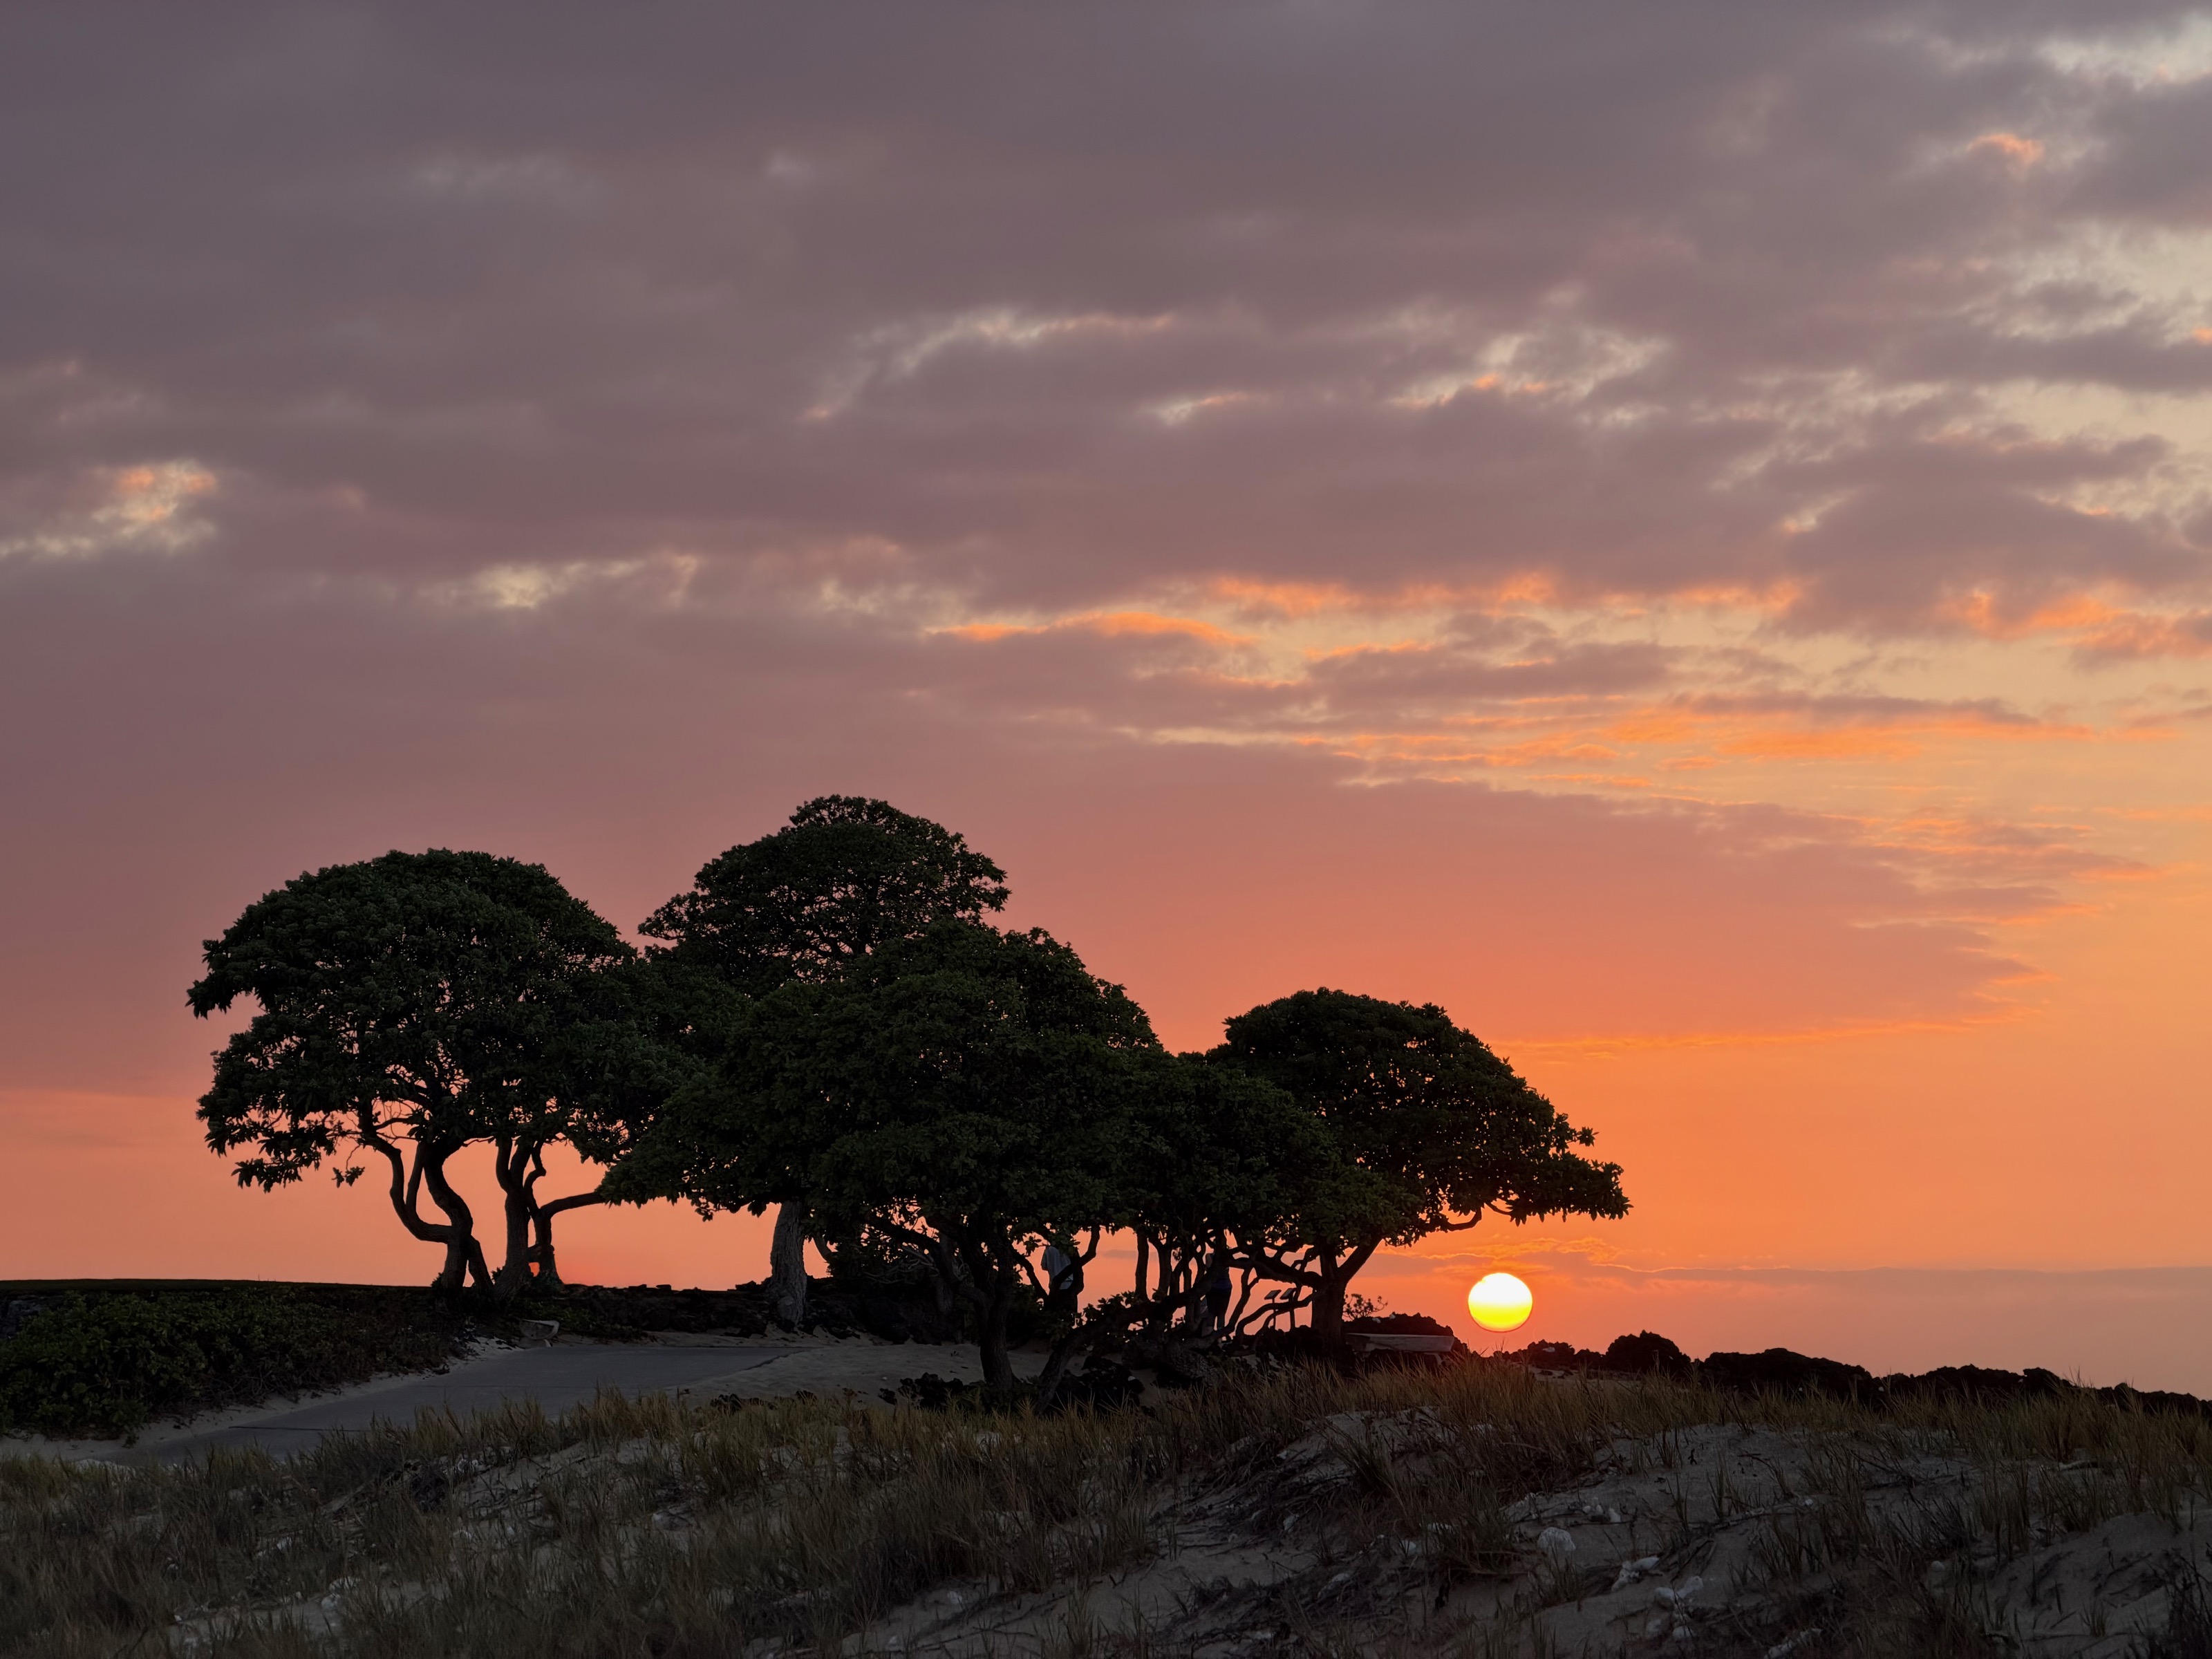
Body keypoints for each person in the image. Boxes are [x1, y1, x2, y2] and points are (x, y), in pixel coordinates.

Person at [1043, 1240, 1082, 1321]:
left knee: (1054, 1319)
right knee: (1070, 1318)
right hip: (1070, 1285)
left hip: (1054, 1288)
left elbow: (1044, 1266)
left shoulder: (1049, 1249)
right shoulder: (1071, 1249)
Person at [1203, 1254, 1234, 1334]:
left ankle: (1210, 1336)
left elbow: (1209, 1267)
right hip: (1225, 1288)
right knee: (1221, 1313)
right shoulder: (1227, 1257)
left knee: (1211, 1312)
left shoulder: (1209, 1256)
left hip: (1214, 1287)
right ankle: (1219, 1339)